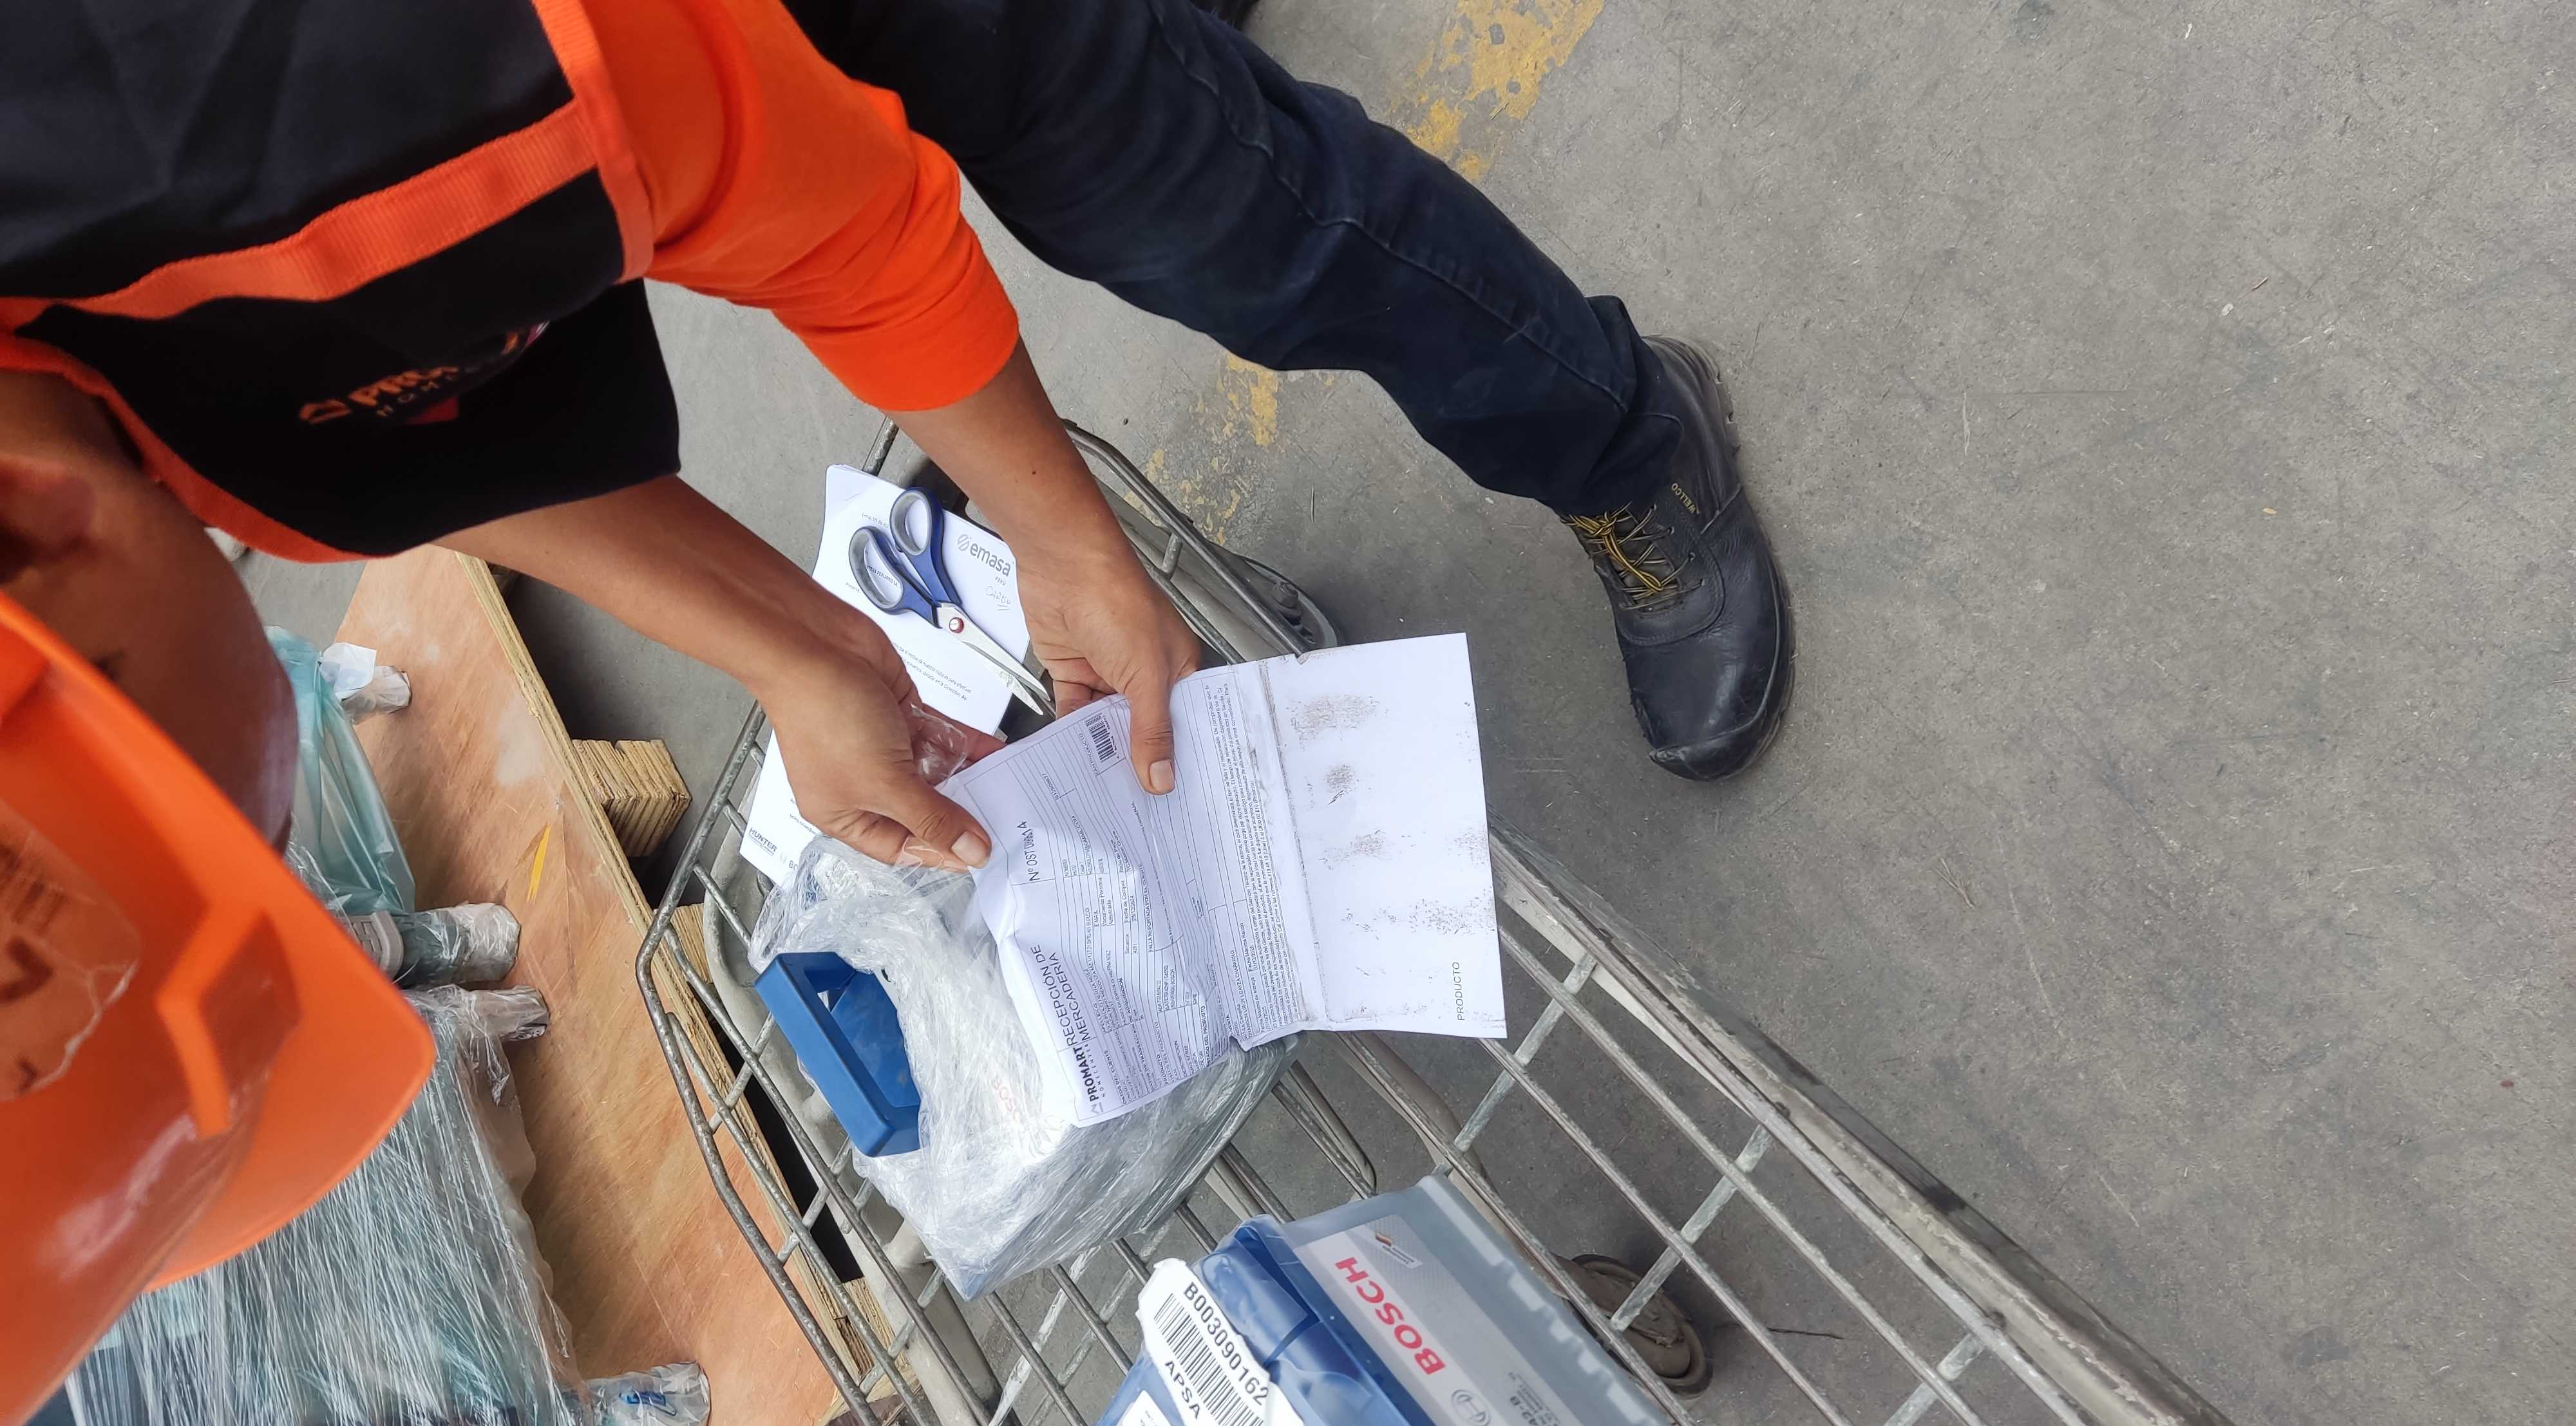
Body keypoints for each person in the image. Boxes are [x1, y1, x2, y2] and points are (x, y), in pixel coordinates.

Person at [0, 0, 1788, 874]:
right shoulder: (79, 401)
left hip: (556, 63)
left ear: (44, 522)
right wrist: (805, 659)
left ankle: (1620, 439)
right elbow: (425, 456)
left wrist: (1065, 546)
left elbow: (846, 229)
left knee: (1197, 206)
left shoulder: (322, 90)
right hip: (546, 110)